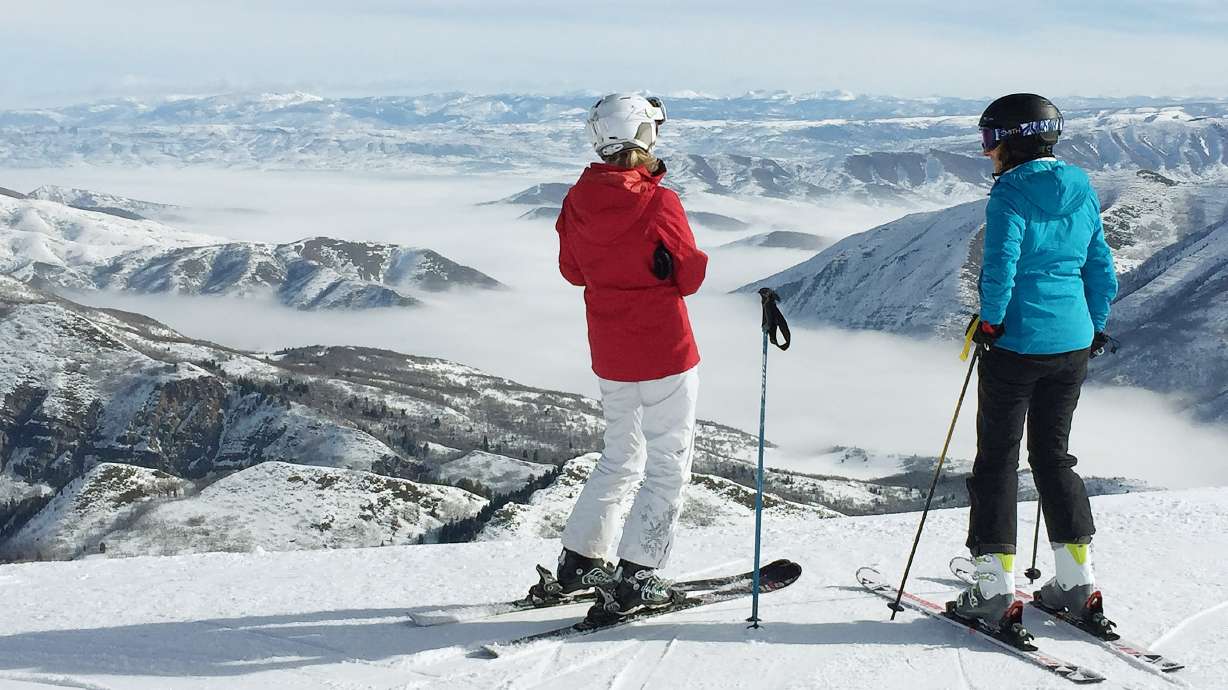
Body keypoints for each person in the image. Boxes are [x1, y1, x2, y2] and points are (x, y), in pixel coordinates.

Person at [951, 94, 1119, 633]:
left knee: (996, 461)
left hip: (1019, 342)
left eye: (989, 139)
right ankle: (1075, 581)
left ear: (1012, 139)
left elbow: (999, 266)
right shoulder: (1081, 187)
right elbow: (1100, 264)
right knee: (1053, 457)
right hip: (1072, 341)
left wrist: (993, 322)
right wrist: (1095, 322)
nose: (986, 152)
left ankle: (994, 590)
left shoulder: (1010, 195)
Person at [548, 93, 708, 617]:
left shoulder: (577, 200)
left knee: (620, 456)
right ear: (644, 136)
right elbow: (690, 275)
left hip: (611, 351)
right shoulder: (659, 203)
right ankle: (638, 575)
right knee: (668, 464)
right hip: (665, 350)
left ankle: (579, 560)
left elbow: (572, 271)